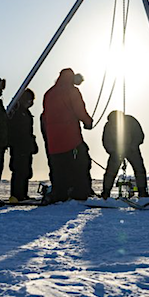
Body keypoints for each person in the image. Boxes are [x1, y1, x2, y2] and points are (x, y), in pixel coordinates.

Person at [41, 69, 93, 202]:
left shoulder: (49, 93)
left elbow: (45, 116)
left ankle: (60, 193)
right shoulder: (71, 91)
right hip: (70, 137)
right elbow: (79, 110)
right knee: (81, 161)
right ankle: (80, 192)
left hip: (53, 140)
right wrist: (88, 122)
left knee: (58, 167)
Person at [101, 110, 149, 199]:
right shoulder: (108, 125)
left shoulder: (131, 121)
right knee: (111, 172)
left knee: (139, 170)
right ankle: (106, 193)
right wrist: (113, 151)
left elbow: (139, 135)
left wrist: (133, 146)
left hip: (132, 150)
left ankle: (142, 192)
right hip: (117, 151)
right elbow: (106, 140)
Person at [7, 88, 38, 201]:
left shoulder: (26, 113)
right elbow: (15, 130)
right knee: (19, 170)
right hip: (18, 146)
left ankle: (23, 194)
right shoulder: (16, 112)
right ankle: (16, 194)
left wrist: (31, 143)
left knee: (25, 171)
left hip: (26, 146)